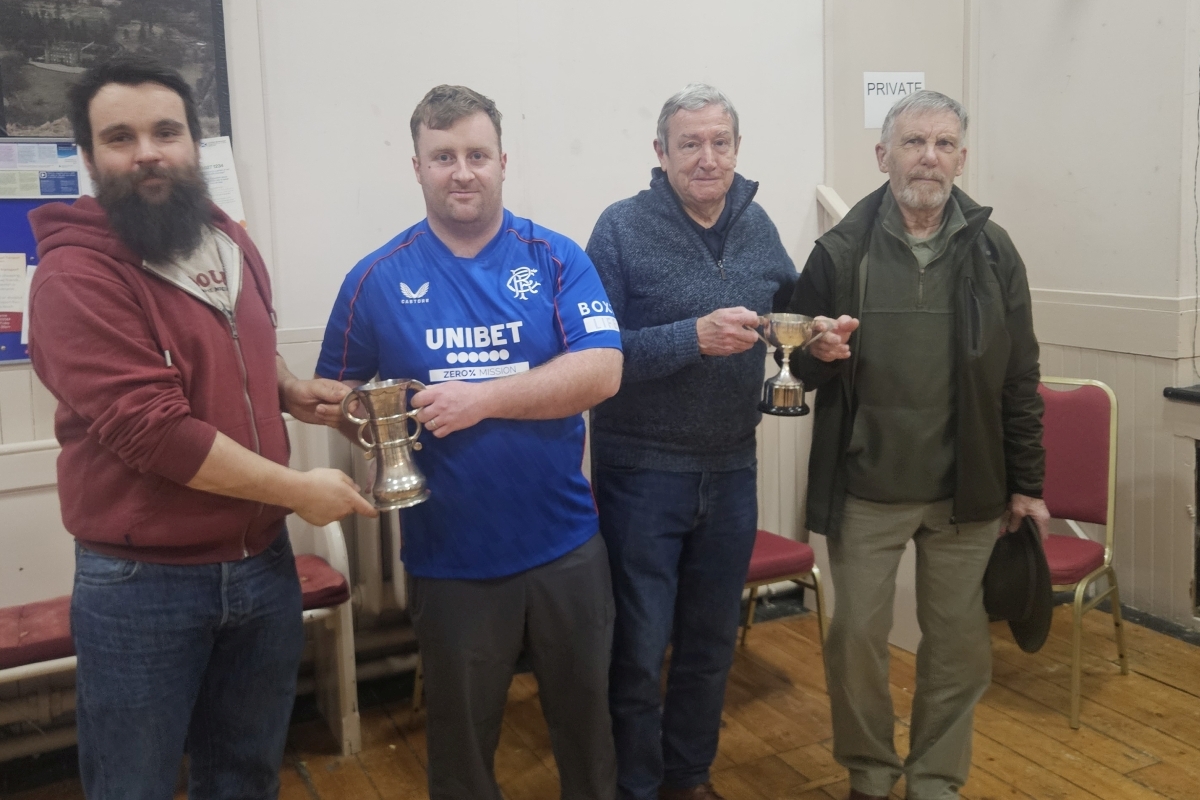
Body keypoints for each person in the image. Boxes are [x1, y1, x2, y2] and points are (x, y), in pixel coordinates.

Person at [26, 55, 377, 800]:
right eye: (120, 137)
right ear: (89, 159)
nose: (148, 151)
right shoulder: (72, 277)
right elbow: (157, 432)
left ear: (194, 143)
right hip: (143, 585)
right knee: (134, 784)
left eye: (166, 131)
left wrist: (287, 389)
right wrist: (298, 490)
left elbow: (240, 336)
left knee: (245, 776)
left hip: (260, 564)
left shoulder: (224, 237)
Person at [314, 84, 624, 800]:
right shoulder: (376, 278)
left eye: (477, 154)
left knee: (587, 735)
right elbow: (335, 399)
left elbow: (603, 370)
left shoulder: (555, 257)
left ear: (503, 162)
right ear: (416, 166)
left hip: (567, 546)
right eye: (443, 155)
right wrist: (372, 422)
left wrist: (480, 401)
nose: (462, 171)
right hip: (449, 558)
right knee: (460, 753)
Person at [585, 83, 855, 800]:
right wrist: (690, 338)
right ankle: (636, 787)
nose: (707, 158)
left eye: (720, 143)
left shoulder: (759, 224)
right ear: (660, 153)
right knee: (640, 652)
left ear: (737, 148)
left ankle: (689, 779)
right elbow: (592, 358)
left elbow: (786, 320)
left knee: (709, 647)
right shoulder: (619, 229)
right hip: (640, 473)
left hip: (734, 468)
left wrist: (817, 339)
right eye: (690, 144)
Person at [785, 90, 1048, 800]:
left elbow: (1020, 376)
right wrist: (816, 355)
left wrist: (1027, 483)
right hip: (867, 489)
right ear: (883, 156)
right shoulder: (839, 253)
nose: (928, 158)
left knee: (959, 652)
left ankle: (935, 781)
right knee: (854, 646)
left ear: (961, 158)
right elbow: (796, 367)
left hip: (967, 494)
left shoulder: (994, 252)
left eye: (943, 144)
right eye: (912, 143)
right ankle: (870, 777)